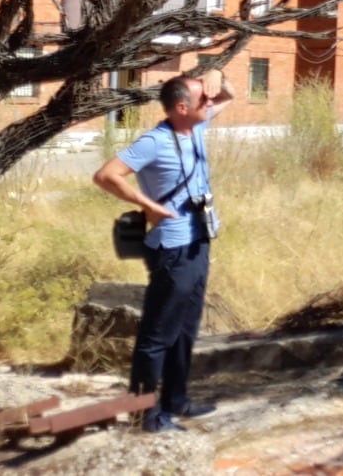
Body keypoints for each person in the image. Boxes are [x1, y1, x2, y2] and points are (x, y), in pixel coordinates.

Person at [94, 70, 234, 433]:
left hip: (199, 241)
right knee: (157, 336)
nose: (210, 103)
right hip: (172, 247)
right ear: (181, 107)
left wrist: (216, 76)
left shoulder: (196, 126)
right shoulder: (155, 141)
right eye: (203, 99)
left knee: (185, 329)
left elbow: (228, 95)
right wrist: (148, 206)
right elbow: (107, 174)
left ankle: (176, 400)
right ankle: (146, 415)